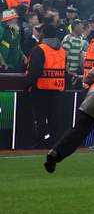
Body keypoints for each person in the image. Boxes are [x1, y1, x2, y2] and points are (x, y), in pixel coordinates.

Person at [25, 14, 67, 147]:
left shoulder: (40, 49)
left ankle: (39, 141)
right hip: (56, 87)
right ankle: (55, 140)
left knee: (40, 116)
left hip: (41, 86)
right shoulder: (62, 50)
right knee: (54, 115)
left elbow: (34, 70)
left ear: (43, 34)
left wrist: (26, 86)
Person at [61, 18, 89, 82]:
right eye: (81, 28)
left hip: (76, 71)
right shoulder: (68, 39)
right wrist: (68, 71)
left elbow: (80, 55)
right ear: (76, 28)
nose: (83, 30)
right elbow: (64, 56)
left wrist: (84, 70)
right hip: (68, 72)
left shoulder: (80, 39)